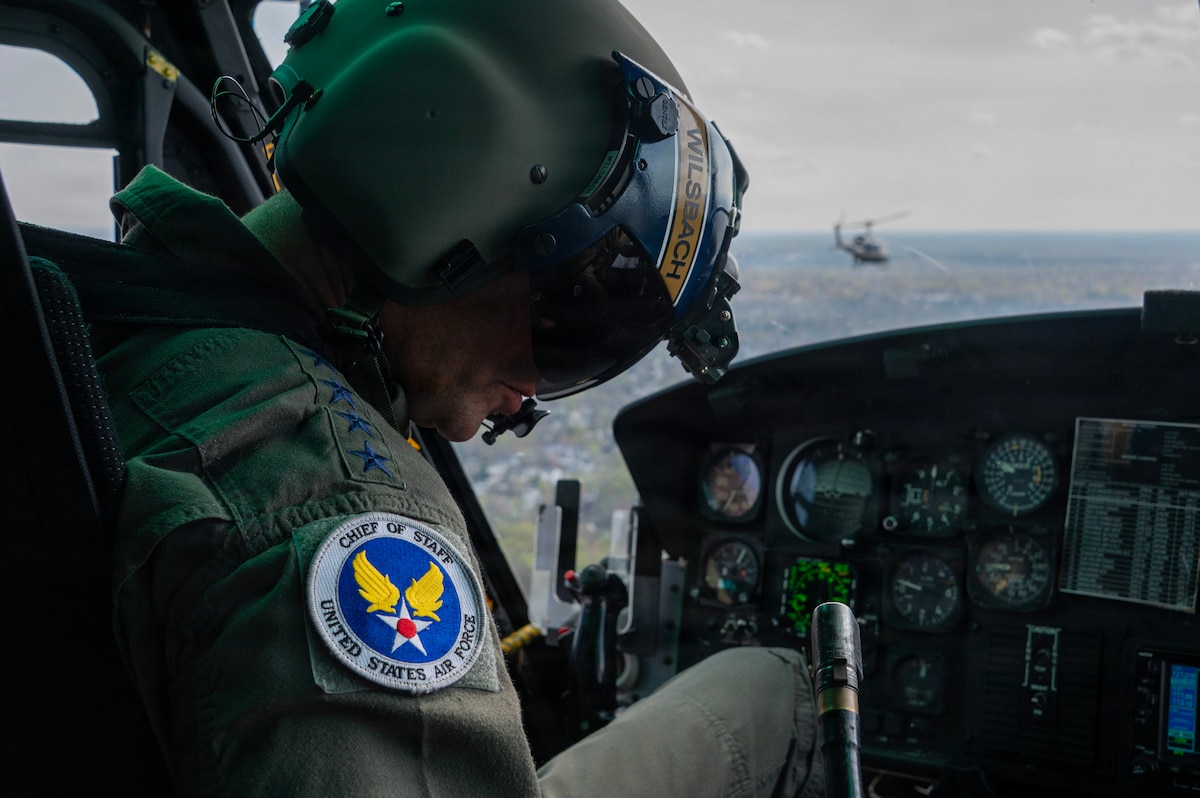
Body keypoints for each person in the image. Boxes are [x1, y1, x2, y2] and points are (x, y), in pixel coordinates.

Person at [62, 0, 824, 794]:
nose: (533, 392)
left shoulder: (101, 313)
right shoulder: (344, 510)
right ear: (444, 202)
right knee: (772, 692)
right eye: (570, 320)